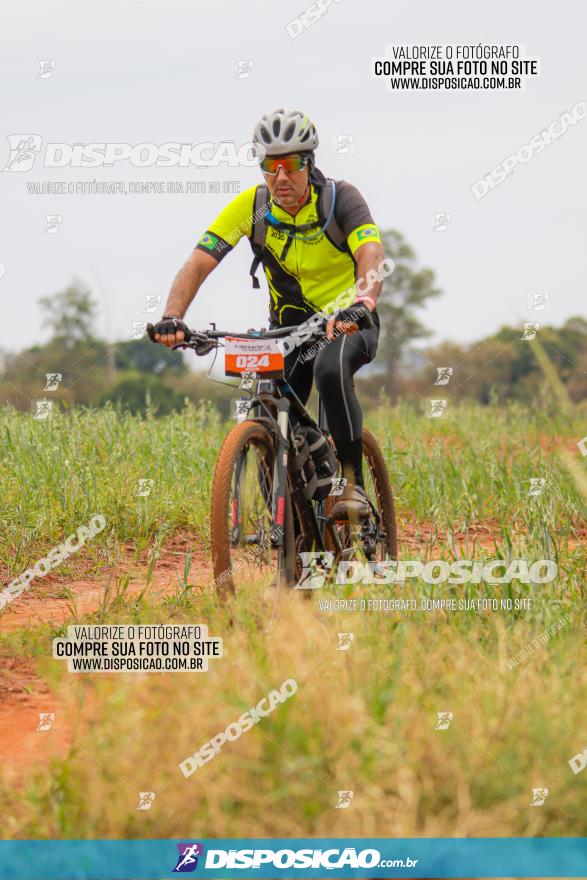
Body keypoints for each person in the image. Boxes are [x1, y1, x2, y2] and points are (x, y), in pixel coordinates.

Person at [149, 108, 386, 518]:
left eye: (291, 165)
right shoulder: (253, 207)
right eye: (270, 166)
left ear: (309, 163)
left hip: (346, 322)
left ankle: (352, 486)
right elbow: (198, 262)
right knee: (265, 408)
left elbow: (371, 253)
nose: (281, 177)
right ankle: (290, 531)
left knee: (331, 370)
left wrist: (362, 302)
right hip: (289, 329)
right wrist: (173, 316)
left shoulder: (339, 199)